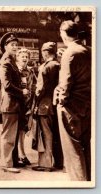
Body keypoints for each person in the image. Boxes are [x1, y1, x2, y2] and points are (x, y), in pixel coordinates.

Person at [54, 20, 91, 181]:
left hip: (71, 109)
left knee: (73, 151)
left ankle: (79, 185)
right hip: (88, 107)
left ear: (63, 34)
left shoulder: (70, 52)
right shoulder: (89, 50)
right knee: (86, 149)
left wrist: (60, 100)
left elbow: (65, 84)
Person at [0, 32, 29, 173]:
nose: (15, 47)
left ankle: (13, 160)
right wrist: (22, 92)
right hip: (10, 103)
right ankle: (6, 164)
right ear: (5, 47)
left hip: (14, 104)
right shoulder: (5, 63)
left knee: (14, 134)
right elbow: (7, 85)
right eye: (12, 45)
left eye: (16, 44)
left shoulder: (11, 61)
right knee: (8, 134)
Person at [32, 42, 60, 172]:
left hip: (44, 104)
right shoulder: (58, 65)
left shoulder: (45, 67)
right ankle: (59, 162)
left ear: (45, 53)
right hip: (55, 105)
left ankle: (46, 164)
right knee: (56, 134)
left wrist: (35, 101)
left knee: (45, 134)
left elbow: (40, 89)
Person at [15, 48, 36, 166]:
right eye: (22, 56)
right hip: (17, 104)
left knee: (23, 130)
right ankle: (20, 155)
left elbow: (33, 86)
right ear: (17, 58)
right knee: (17, 131)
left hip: (27, 104)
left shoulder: (30, 71)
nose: (24, 58)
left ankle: (22, 154)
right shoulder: (15, 70)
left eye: (26, 57)